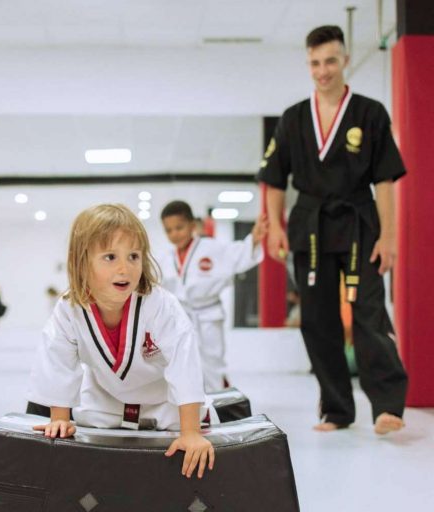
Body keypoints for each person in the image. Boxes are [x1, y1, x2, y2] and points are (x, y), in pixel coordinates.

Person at [257, 25, 408, 435]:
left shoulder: (370, 112)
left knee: (369, 315)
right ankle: (337, 410)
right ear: (308, 64)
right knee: (319, 321)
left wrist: (390, 235)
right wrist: (275, 227)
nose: (323, 70)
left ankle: (387, 407)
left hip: (360, 221)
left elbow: (387, 181)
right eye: (315, 63)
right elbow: (273, 178)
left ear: (344, 59)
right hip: (310, 225)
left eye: (330, 61)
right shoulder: (292, 118)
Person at [27, 204, 214, 479]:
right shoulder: (69, 309)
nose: (124, 268)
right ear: (82, 262)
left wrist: (191, 433)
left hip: (164, 408)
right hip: (103, 407)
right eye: (110, 257)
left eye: (134, 256)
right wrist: (60, 419)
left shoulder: (159, 304)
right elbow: (58, 363)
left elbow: (183, 361)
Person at [158, 201, 267, 392]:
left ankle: (215, 405)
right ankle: (190, 405)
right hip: (181, 316)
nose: (174, 234)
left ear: (192, 225)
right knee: (180, 362)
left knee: (212, 363)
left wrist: (254, 239)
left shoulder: (211, 248)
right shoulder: (166, 258)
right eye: (169, 230)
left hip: (208, 315)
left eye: (179, 227)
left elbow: (238, 253)